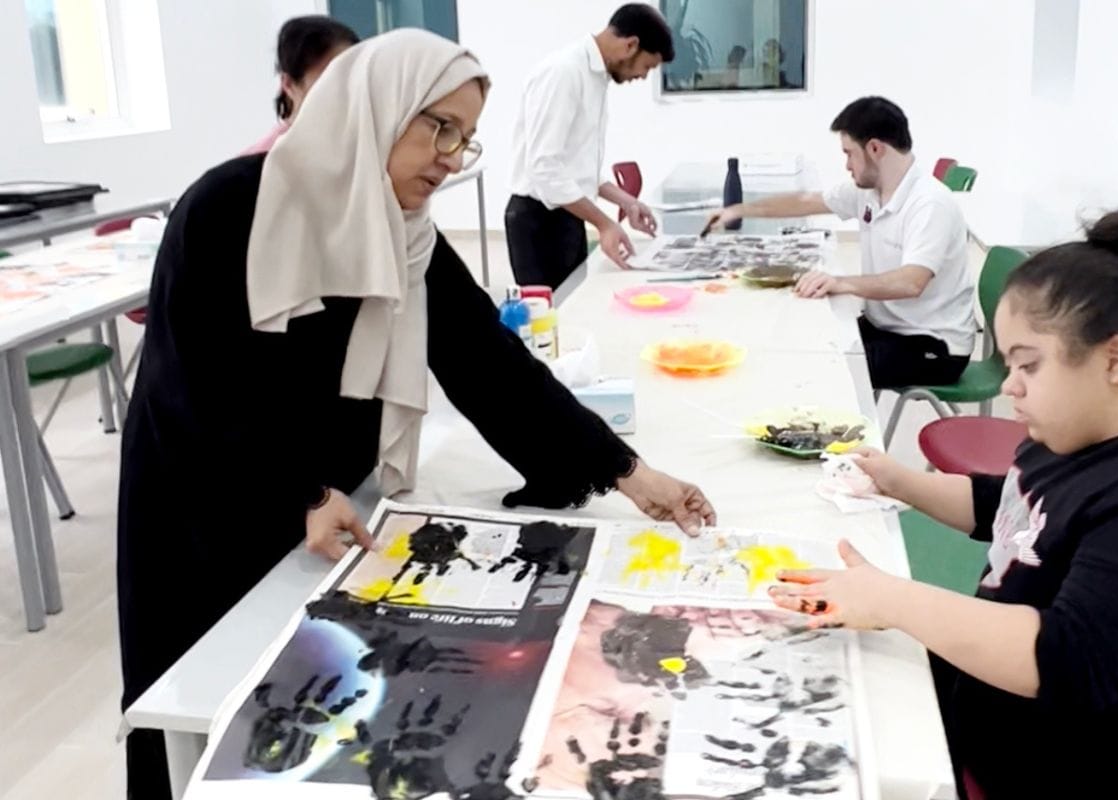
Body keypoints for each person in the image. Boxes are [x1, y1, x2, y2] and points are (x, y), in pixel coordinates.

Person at [118, 29, 714, 798]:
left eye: (464, 138)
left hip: (334, 514)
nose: (451, 156)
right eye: (438, 126)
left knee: (320, 724)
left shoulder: (406, 232)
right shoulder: (233, 205)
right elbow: (194, 387)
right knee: (206, 713)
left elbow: (490, 364)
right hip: (210, 509)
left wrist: (628, 472)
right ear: (376, 106)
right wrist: (299, 493)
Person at [768, 209, 1118, 798]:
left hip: (1051, 764)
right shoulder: (1080, 427)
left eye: (1028, 364)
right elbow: (1016, 507)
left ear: (1115, 359)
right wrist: (898, 482)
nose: (1008, 385)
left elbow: (1072, 659)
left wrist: (891, 598)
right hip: (982, 698)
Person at [705, 96, 975, 389]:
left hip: (932, 346)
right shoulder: (869, 192)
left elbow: (911, 283)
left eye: (849, 154)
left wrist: (839, 282)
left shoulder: (929, 203)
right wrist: (739, 210)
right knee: (801, 339)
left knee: (819, 367)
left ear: (875, 149)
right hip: (885, 328)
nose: (847, 165)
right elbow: (806, 201)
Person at [506, 3, 674, 288]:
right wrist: (605, 224)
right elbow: (544, 168)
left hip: (569, 214)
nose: (643, 77)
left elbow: (575, 167)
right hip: (538, 222)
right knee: (552, 311)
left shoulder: (595, 77)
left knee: (575, 303)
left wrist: (627, 201)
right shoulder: (564, 73)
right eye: (647, 67)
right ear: (631, 45)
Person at [242, 15, 359, 155]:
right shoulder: (263, 163)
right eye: (327, 84)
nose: (344, 94)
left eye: (352, 77)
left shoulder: (365, 142)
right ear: (289, 85)